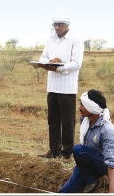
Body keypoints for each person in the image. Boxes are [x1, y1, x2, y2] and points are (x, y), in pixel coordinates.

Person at [37, 13, 84, 159]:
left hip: (67, 88)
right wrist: (50, 61)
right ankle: (54, 150)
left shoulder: (75, 40)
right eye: (55, 25)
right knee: (53, 120)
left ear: (67, 25)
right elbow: (42, 58)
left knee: (68, 122)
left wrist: (58, 67)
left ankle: (67, 153)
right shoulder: (50, 39)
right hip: (52, 86)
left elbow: (77, 63)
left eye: (60, 25)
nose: (57, 27)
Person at [59, 89, 114, 193]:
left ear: (92, 108)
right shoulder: (85, 121)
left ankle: (92, 180)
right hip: (87, 165)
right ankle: (90, 178)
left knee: (78, 150)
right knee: (65, 192)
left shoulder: (107, 130)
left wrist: (112, 191)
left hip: (102, 165)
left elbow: (111, 162)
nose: (79, 108)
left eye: (83, 105)